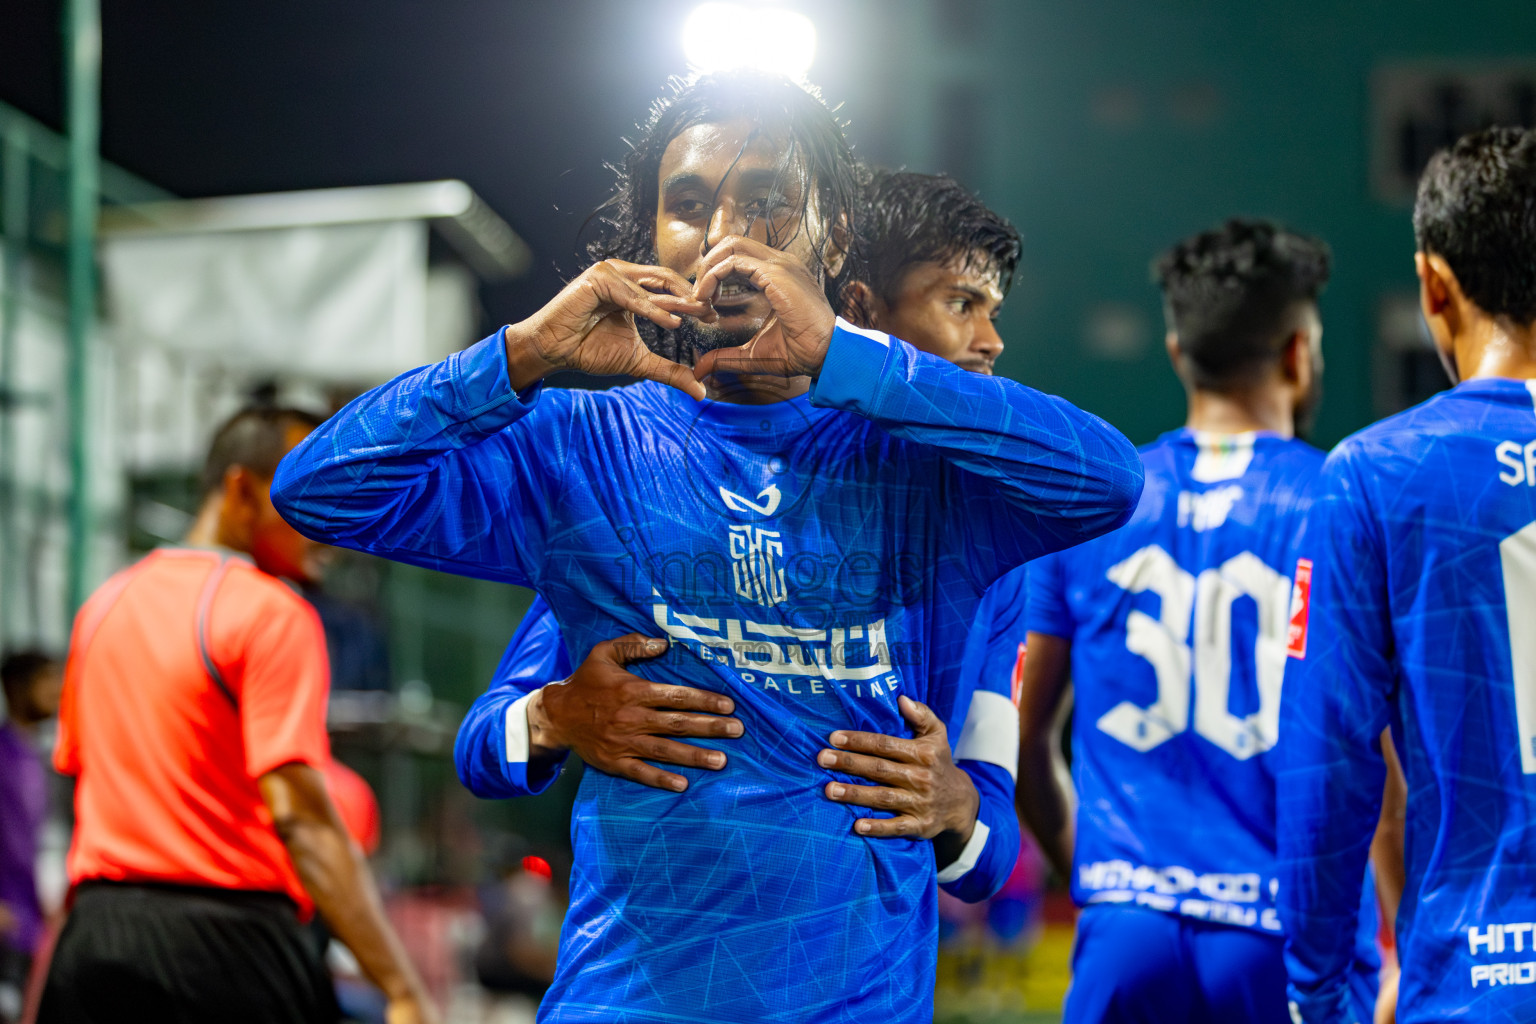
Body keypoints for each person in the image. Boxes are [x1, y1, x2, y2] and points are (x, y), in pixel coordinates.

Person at [272, 70, 1142, 1022]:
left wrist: (962, 810)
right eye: (687, 206)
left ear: (834, 237)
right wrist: (519, 353)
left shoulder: (937, 473)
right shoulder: (579, 441)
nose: (725, 234)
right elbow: (317, 490)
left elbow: (1109, 479)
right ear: (652, 239)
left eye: (768, 203)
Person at [456, 169, 1026, 903]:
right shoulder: (657, 491)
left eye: (993, 309)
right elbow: (481, 747)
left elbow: (989, 856)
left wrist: (955, 807)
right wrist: (555, 714)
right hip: (656, 966)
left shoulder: (996, 543)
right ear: (857, 307)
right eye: (960, 303)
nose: (990, 341)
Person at [1011, 219, 1383, 1023]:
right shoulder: (1340, 500)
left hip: (1126, 930)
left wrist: (1107, 884)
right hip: (1285, 930)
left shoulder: (1098, 505)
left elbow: (1023, 736)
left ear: (1178, 354)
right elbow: (1375, 751)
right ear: (1297, 353)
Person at [39, 407, 435, 1024]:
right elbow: (302, 821)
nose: (332, 523)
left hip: (93, 942)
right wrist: (402, 987)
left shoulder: (101, 607)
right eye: (310, 489)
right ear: (242, 489)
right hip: (228, 952)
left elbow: (78, 784)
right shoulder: (271, 614)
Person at [1277, 125, 1536, 1024]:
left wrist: (1316, 989)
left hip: (1480, 982)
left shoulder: (1378, 474)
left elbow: (1328, 762)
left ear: (1434, 282)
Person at [0, 651, 61, 1023]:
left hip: (42, 922)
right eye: (46, 680)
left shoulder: (48, 757)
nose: (56, 691)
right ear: (16, 688)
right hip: (9, 919)